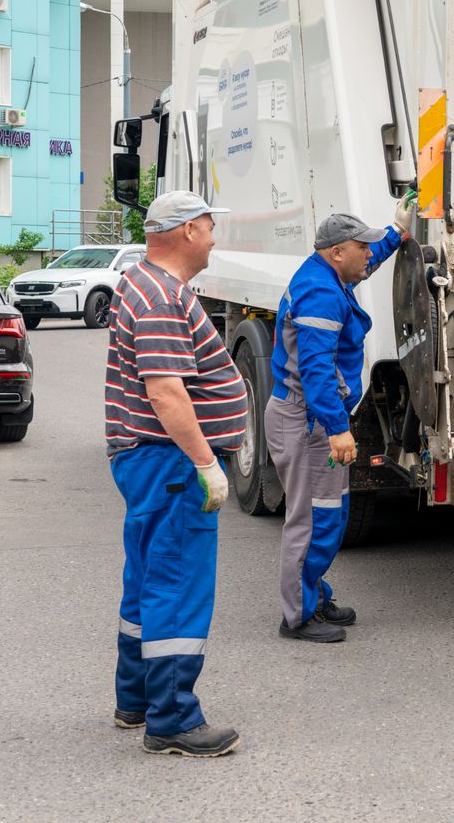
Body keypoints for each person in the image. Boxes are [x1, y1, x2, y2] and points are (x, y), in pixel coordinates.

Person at [105, 190, 247, 756]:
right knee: (177, 584)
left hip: (148, 459)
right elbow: (167, 394)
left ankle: (135, 699)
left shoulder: (143, 284)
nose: (214, 236)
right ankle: (172, 720)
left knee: (146, 579)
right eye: (210, 225)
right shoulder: (162, 296)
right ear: (188, 230)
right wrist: (207, 463)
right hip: (169, 461)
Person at [266, 200, 411, 642]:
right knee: (312, 519)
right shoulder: (321, 293)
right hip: (306, 419)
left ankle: (312, 594)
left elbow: (367, 262)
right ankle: (298, 617)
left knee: (331, 513)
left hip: (313, 419)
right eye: (361, 246)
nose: (369, 253)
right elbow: (316, 372)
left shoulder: (329, 274)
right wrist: (337, 429)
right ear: (336, 252)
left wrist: (396, 233)